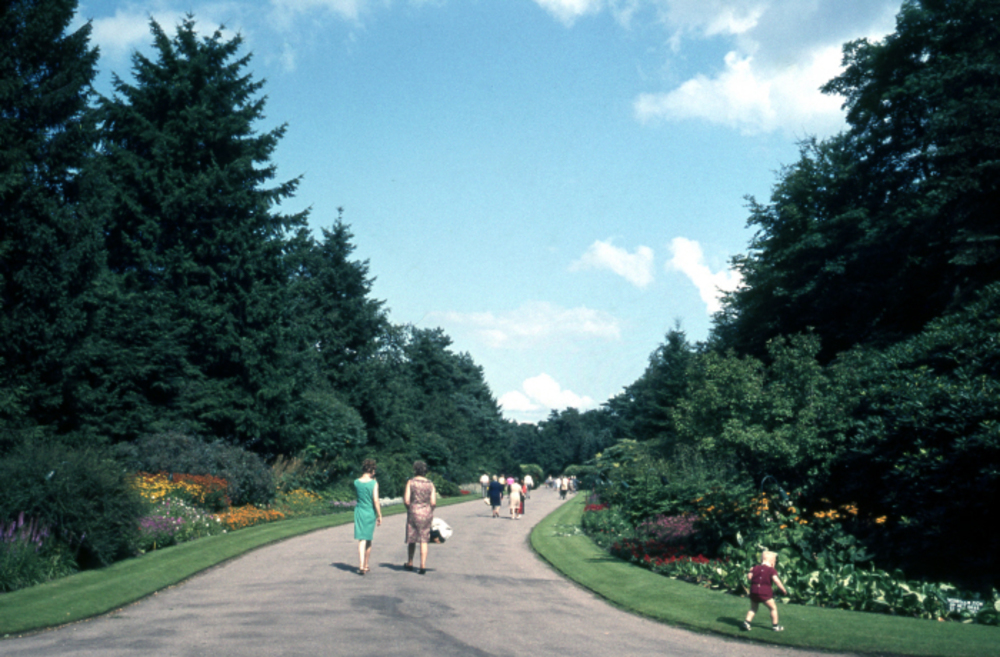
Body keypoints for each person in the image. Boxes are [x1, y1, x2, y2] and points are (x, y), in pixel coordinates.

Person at [403, 460, 437, 574]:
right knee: (424, 539)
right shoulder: (430, 484)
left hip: (413, 511)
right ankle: (422, 565)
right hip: (426, 512)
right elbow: (433, 502)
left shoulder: (411, 482)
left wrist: (409, 508)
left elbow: (406, 500)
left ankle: (410, 562)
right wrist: (430, 510)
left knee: (412, 537)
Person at [744, 550, 788, 631]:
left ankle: (747, 622)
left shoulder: (755, 568)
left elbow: (749, 577)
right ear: (772, 562)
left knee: (753, 608)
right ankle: (775, 626)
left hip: (754, 592)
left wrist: (750, 572)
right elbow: (776, 581)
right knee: (773, 608)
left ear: (761, 560)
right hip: (765, 593)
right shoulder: (771, 570)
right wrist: (783, 589)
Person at [353, 459, 382, 575]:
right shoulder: (374, 483)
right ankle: (365, 564)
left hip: (359, 510)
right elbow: (375, 500)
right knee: (368, 539)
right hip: (369, 511)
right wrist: (379, 514)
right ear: (371, 470)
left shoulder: (356, 482)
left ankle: (361, 565)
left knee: (361, 539)